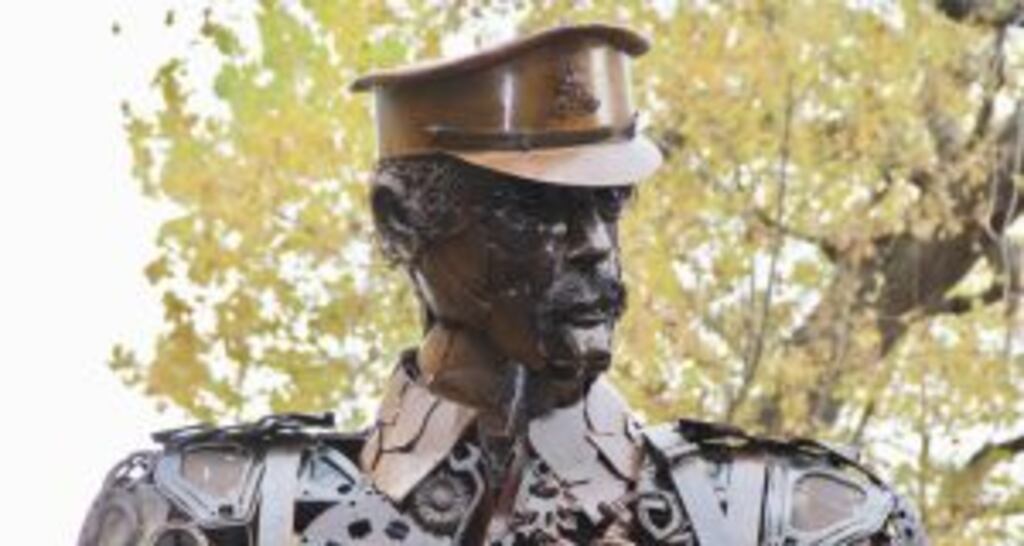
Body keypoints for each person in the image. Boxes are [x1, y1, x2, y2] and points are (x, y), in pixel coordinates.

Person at [79, 24, 927, 546]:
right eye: (534, 213)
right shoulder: (197, 518)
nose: (595, 248)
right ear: (397, 224)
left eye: (610, 205)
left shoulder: (812, 524)